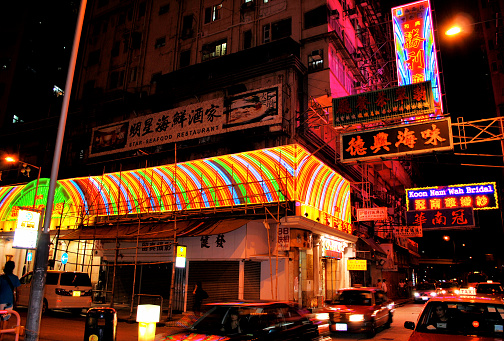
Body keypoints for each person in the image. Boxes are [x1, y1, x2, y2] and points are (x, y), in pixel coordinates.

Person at [0, 261, 20, 325]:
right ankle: (2, 334)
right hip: (9, 300)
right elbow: (18, 291)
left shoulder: (1, 278)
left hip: (1, 299)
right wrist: (16, 300)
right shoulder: (15, 278)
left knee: (0, 317)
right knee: (6, 318)